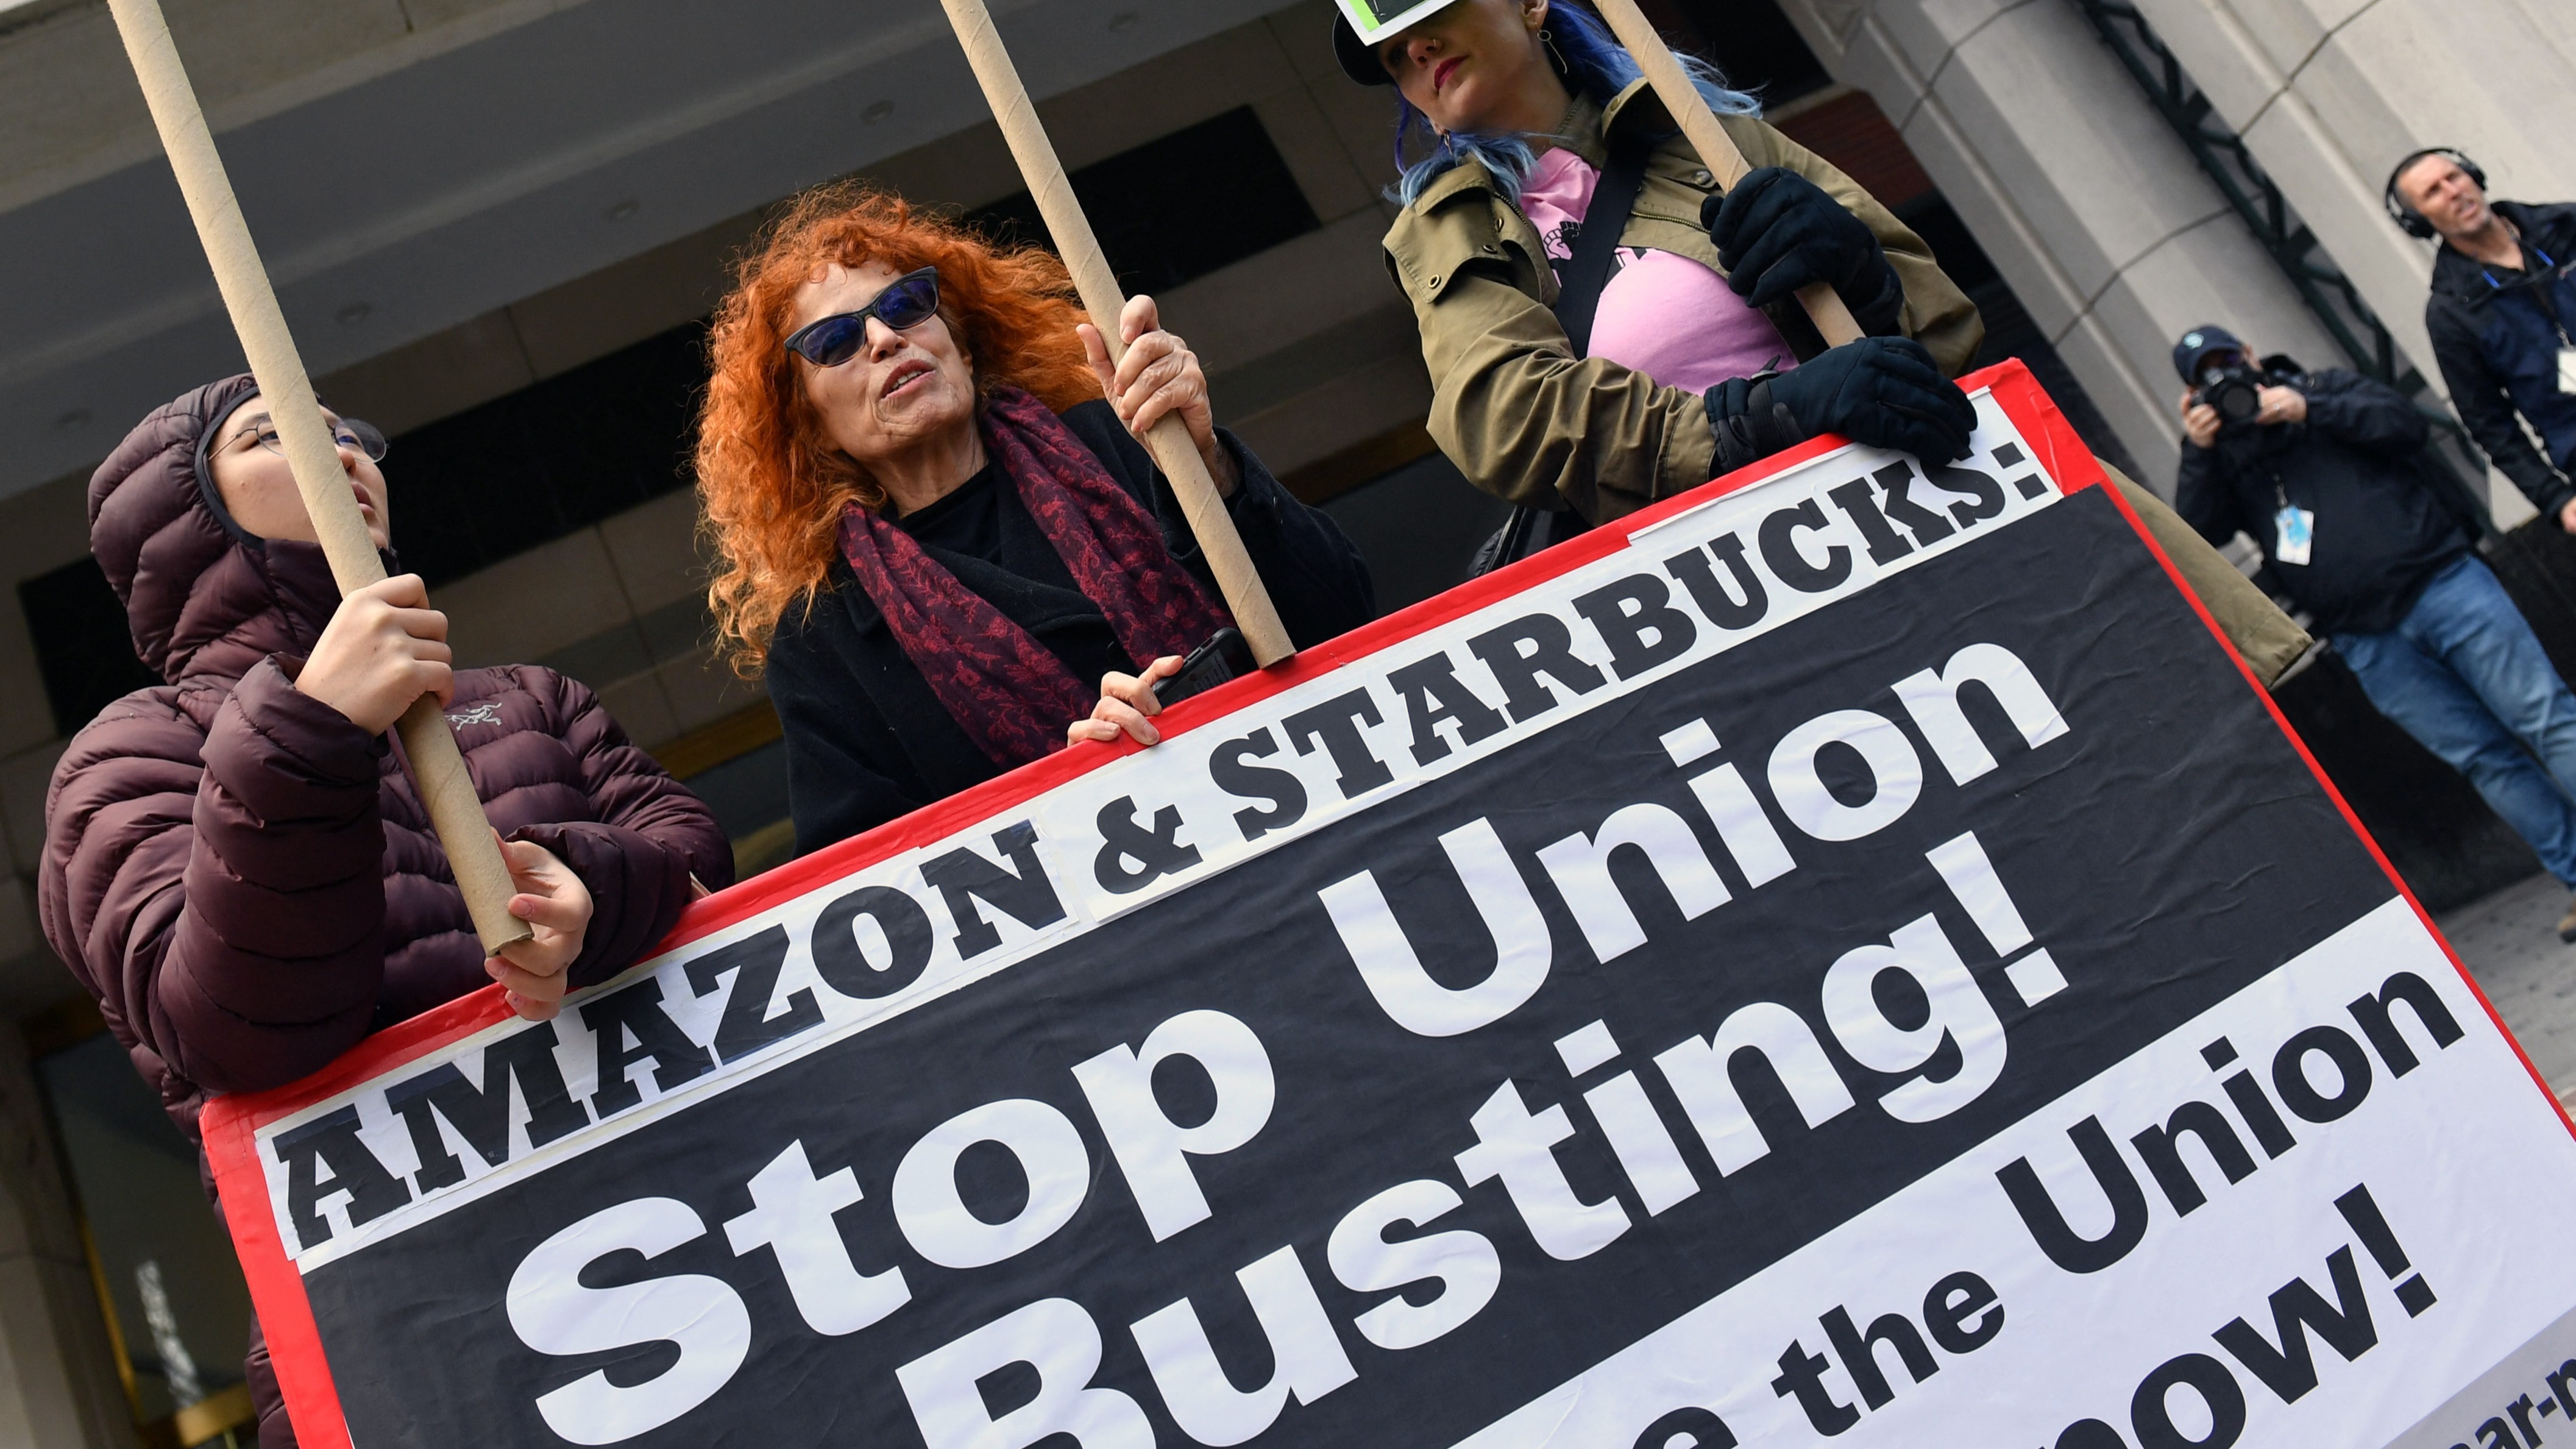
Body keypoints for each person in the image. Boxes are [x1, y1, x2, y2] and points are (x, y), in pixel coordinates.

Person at [38, 377, 733, 1445]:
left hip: (681, 1239)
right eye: (278, 436)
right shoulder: (133, 759)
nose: (343, 453)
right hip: (413, 1332)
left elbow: (689, 854)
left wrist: (595, 895)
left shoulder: (531, 698)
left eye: (349, 434)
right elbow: (226, 1025)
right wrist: (311, 733)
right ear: (187, 520)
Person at [1333, 0, 2310, 683]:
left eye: (1425, 10)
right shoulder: (1451, 227)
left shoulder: (1705, 131)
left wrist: (1861, 276)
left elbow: (1941, 333)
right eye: (1387, 52)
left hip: (1960, 510)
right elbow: (1505, 417)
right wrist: (1763, 416)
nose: (1411, 52)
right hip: (1780, 607)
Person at [695, 183, 1376, 855]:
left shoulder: (1124, 437)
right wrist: (1066, 798)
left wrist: (1208, 468)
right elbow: (882, 897)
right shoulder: (825, 642)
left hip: (1326, 822)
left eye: (906, 305)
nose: (882, 337)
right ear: (812, 430)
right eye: (836, 341)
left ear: (961, 345)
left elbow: (1344, 610)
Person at [2171, 324, 2576, 939]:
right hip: (2367, 639)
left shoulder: (2318, 388)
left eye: (2228, 359)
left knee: (2546, 716)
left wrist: (2307, 407)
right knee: (2485, 760)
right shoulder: (2226, 456)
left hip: (2445, 584)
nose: (2224, 377)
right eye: (2206, 374)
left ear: (2252, 355)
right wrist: (2199, 451)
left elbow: (2404, 423)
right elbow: (2197, 531)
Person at [2387, 148, 2576, 530]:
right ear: (2419, 222)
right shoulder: (2451, 314)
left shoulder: (2567, 224)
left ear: (2475, 177)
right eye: (2433, 192)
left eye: (2454, 178)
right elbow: (2489, 423)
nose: (2453, 192)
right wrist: (2555, 499)